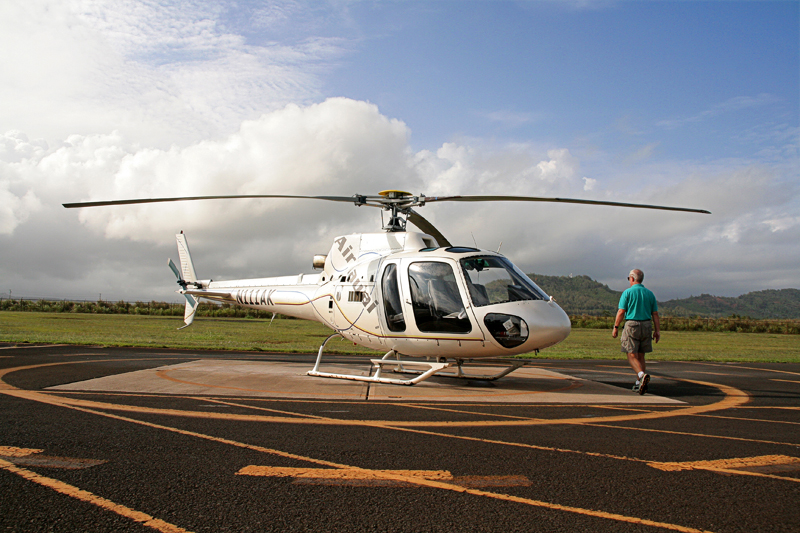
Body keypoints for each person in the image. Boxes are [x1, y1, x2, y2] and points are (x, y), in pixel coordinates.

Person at [612, 269, 660, 394]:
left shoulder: (627, 293)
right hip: (647, 325)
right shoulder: (650, 294)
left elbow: (621, 311)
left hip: (632, 324)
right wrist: (657, 330)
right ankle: (639, 382)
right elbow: (655, 314)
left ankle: (641, 375)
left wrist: (616, 327)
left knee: (631, 353)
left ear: (632, 279)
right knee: (641, 354)